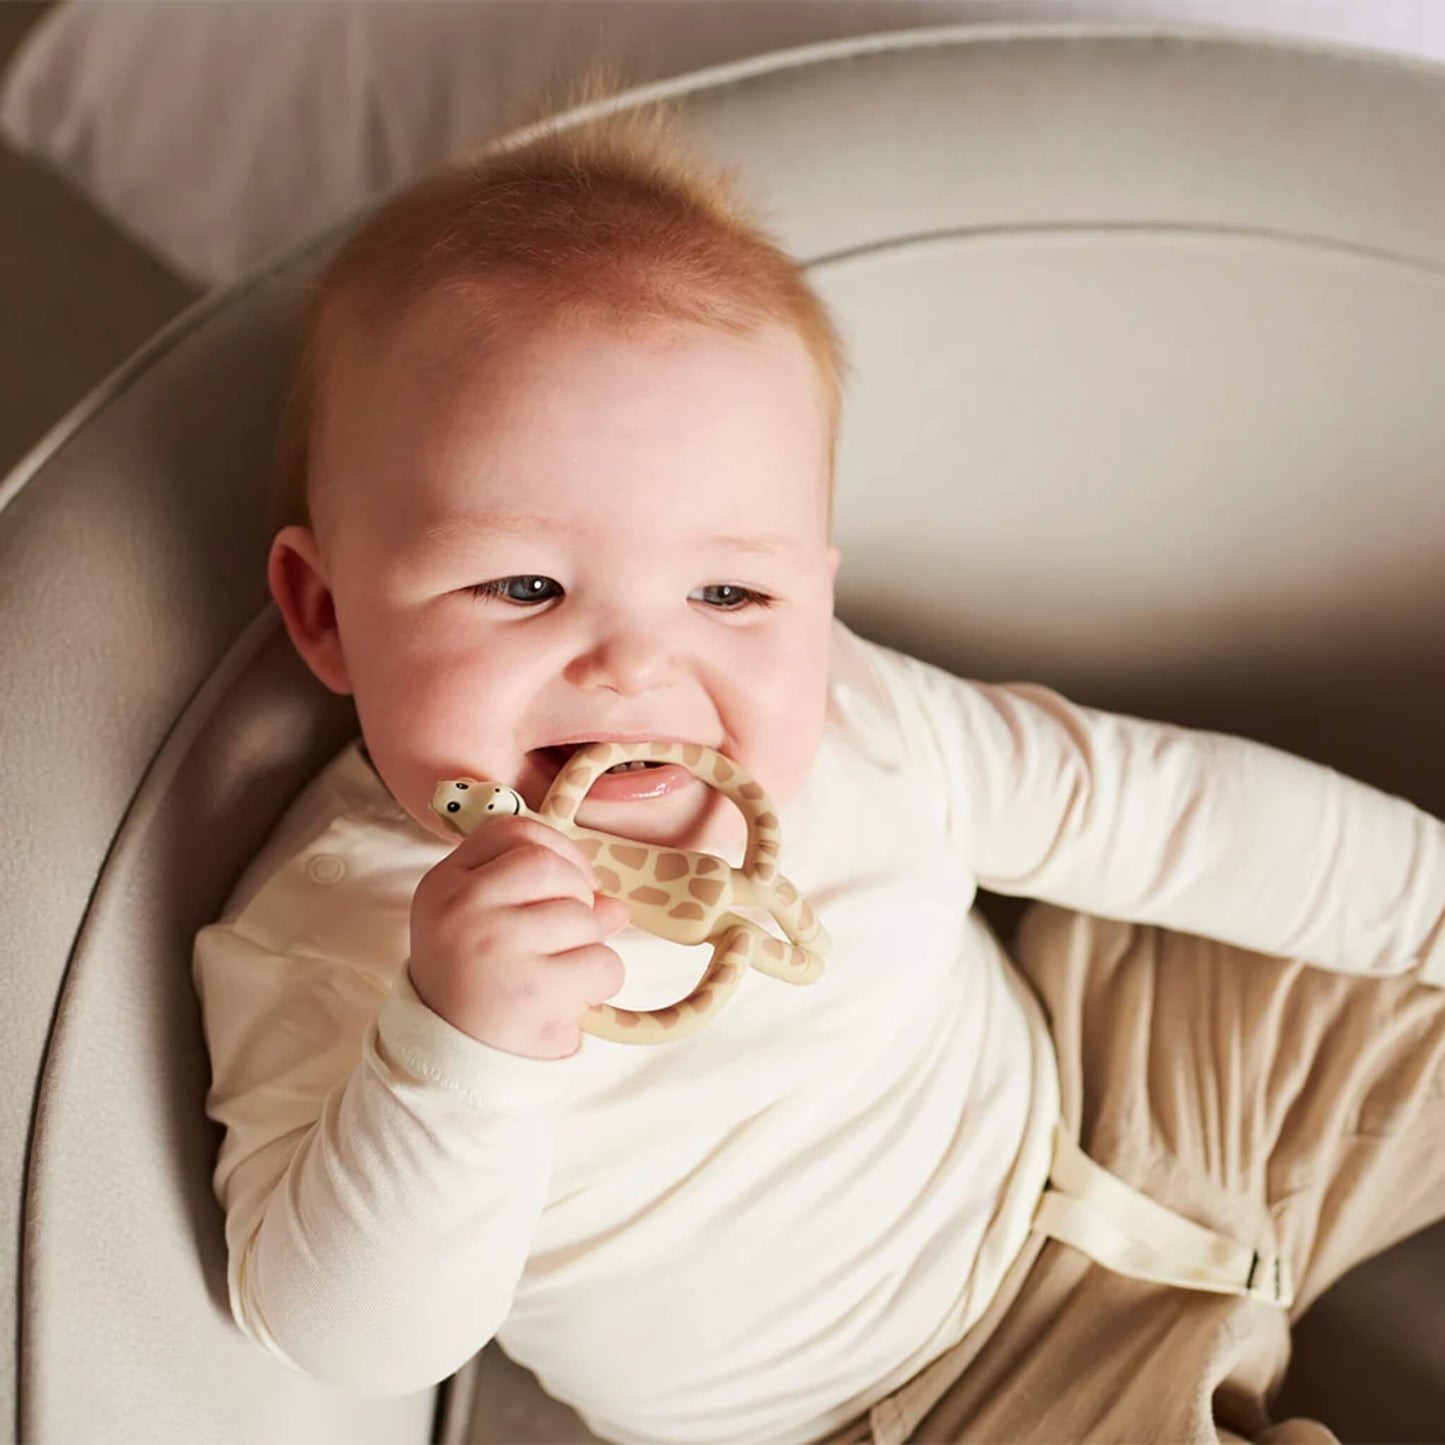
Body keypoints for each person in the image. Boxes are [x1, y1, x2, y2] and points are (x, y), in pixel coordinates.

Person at [193, 94, 1445, 1445]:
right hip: (933, 1406)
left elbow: (1147, 809)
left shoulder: (847, 707)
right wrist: (456, 1055)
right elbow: (342, 1332)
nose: (634, 665)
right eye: (524, 583)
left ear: (812, 590)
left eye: (728, 590)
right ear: (324, 615)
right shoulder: (323, 937)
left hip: (1111, 1078)